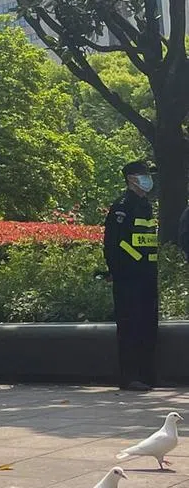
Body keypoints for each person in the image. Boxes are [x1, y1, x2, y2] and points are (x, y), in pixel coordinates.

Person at [104, 159, 159, 392]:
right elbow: (114, 244)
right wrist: (120, 271)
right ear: (131, 179)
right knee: (130, 327)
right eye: (143, 175)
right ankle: (129, 377)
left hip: (147, 277)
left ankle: (146, 376)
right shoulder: (122, 206)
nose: (148, 179)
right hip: (129, 278)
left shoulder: (145, 205)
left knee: (147, 326)